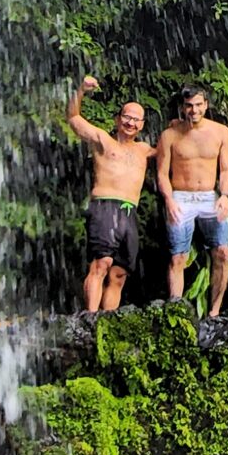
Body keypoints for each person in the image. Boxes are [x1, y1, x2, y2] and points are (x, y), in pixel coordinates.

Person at [67, 76, 156, 312]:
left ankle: (107, 320)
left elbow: (176, 150)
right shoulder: (103, 140)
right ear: (117, 119)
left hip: (130, 211)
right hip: (104, 206)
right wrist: (81, 91)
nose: (131, 123)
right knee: (101, 263)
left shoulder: (145, 150)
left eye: (136, 120)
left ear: (143, 125)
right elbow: (74, 118)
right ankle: (90, 317)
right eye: (127, 117)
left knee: (119, 272)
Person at [157, 84, 228, 317]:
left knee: (222, 251)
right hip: (180, 196)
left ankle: (214, 311)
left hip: (210, 196)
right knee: (178, 255)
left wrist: (225, 195)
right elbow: (162, 173)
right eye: (189, 106)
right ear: (182, 108)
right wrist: (169, 200)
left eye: (199, 105)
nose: (194, 110)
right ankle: (176, 310)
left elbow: (227, 169)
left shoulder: (221, 133)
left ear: (206, 105)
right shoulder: (169, 135)